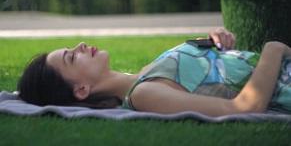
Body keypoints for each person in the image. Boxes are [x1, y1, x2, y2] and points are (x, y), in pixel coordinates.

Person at [18, 28, 291, 116]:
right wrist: (273, 50)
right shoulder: (145, 93)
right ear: (81, 90)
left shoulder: (147, 72)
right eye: (71, 57)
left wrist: (215, 40)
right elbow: (244, 108)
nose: (79, 45)